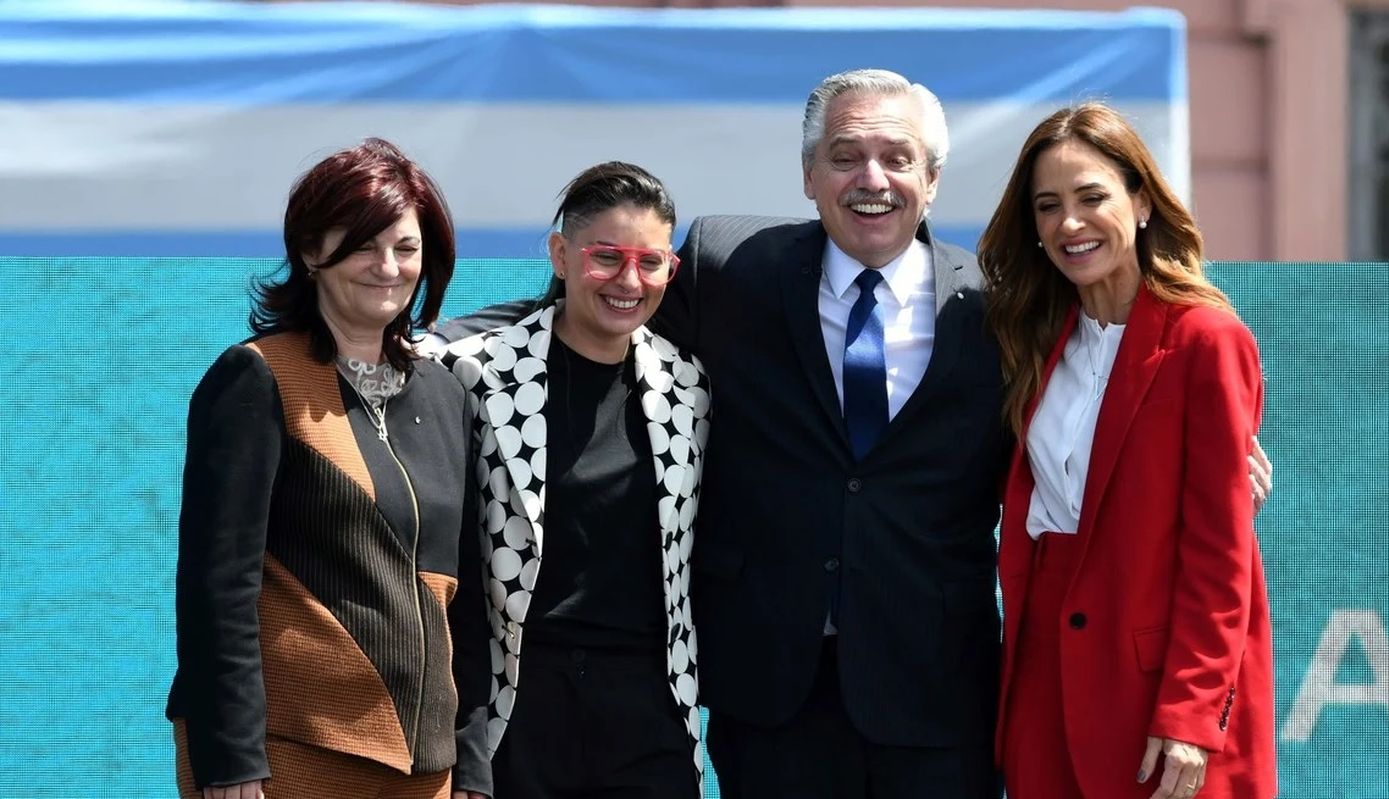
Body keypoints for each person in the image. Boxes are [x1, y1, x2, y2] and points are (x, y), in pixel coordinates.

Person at [435, 69, 1271, 799]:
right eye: (845, 156)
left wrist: (1217, 467)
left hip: (939, 694)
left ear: (934, 179)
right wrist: (418, 345)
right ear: (808, 175)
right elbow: (593, 314)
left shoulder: (1003, 306)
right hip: (771, 695)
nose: (872, 178)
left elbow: (1098, 426)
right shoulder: (731, 266)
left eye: (897, 158)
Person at [166, 138, 491, 799]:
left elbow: (471, 599)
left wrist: (472, 764)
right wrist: (229, 756)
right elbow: (216, 587)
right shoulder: (256, 377)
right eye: (362, 244)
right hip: (289, 754)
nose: (387, 266)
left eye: (406, 247)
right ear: (312, 251)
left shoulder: (447, 392)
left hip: (424, 768)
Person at [977, 102, 1277, 799]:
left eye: (1092, 197)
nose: (1069, 224)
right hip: (1041, 681)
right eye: (1048, 206)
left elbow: (1219, 554)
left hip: (1155, 695)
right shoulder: (1033, 338)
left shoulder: (1206, 338)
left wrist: (1194, 713)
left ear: (1141, 200)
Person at [429, 162, 709, 798]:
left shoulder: (688, 387)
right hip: (518, 707)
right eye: (605, 257)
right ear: (560, 253)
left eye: (650, 261)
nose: (628, 281)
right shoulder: (474, 373)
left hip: (650, 713)